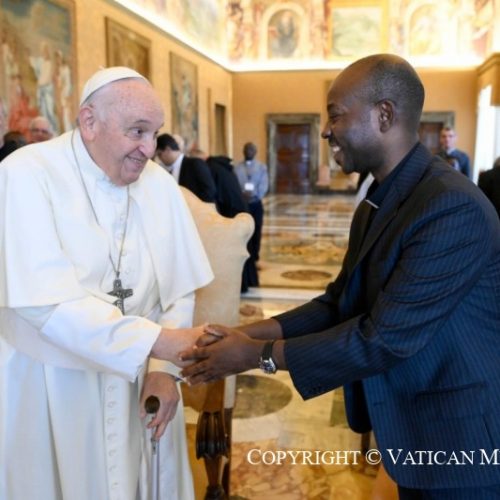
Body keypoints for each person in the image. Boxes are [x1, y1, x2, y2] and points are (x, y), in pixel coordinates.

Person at [180, 54, 500, 498]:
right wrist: (241, 334)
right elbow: (338, 303)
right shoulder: (380, 200)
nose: (326, 130)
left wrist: (255, 356)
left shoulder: (450, 206)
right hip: (417, 429)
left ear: (384, 115)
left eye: (335, 115)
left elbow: (381, 338)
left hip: (462, 443)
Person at [0, 66, 214, 500]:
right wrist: (159, 344)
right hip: (53, 383)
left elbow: (180, 290)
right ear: (89, 121)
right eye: (137, 131)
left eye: (155, 134)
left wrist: (164, 372)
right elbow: (43, 305)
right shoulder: (25, 173)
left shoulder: (159, 185)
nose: (149, 149)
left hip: (144, 382)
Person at [234, 141, 269, 286]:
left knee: (256, 230)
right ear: (243, 151)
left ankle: (255, 258)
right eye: (247, 149)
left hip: (255, 204)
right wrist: (241, 195)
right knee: (242, 231)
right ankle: (243, 257)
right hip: (242, 204)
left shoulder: (261, 167)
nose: (249, 151)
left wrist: (254, 194)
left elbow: (264, 185)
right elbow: (235, 184)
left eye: (251, 149)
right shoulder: (236, 168)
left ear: (255, 152)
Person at [155, 133, 217, 203]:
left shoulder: (195, 164)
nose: (160, 159)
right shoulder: (165, 170)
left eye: (159, 154)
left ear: (168, 149)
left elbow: (210, 192)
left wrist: (191, 204)